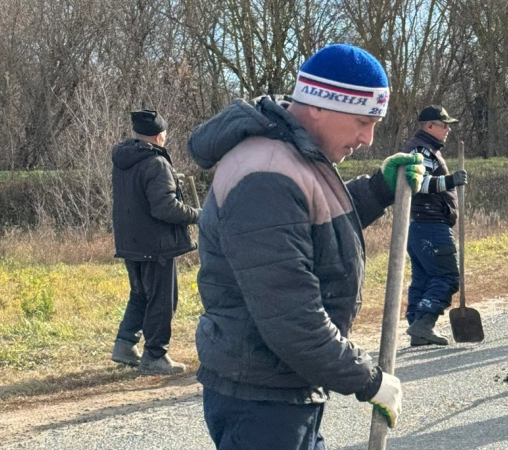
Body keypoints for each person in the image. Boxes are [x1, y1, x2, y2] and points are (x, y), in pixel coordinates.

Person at [188, 44, 424, 449]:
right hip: (262, 396)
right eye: (362, 122)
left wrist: (378, 190)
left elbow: (309, 228)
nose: (367, 139)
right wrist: (367, 378)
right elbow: (291, 317)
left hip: (279, 384)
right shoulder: (266, 175)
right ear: (319, 105)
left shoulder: (291, 155)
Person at [110, 109, 199, 374]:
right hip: (157, 244)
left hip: (130, 241)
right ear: (160, 136)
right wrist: (197, 215)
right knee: (162, 300)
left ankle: (125, 345)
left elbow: (141, 191)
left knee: (139, 295)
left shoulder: (124, 159)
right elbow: (165, 208)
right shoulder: (157, 163)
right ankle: (155, 355)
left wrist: (172, 179)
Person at [402, 105, 468, 347]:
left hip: (418, 225)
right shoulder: (422, 150)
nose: (448, 129)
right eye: (444, 125)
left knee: (423, 278)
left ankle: (417, 326)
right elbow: (419, 183)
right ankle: (424, 324)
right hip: (431, 224)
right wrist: (451, 180)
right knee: (448, 277)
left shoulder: (422, 148)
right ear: (429, 126)